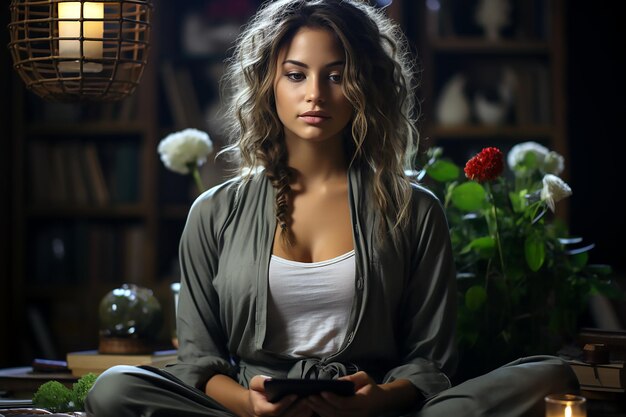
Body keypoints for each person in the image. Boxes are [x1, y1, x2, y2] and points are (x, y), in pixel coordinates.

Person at [85, 1, 578, 416]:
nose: (315, 94)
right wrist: (247, 405)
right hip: (250, 411)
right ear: (267, 84)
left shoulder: (414, 210)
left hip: (373, 409)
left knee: (550, 374)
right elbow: (198, 359)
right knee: (116, 388)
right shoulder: (215, 212)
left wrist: (377, 401)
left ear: (367, 87)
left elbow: (431, 361)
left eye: (338, 76)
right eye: (296, 75)